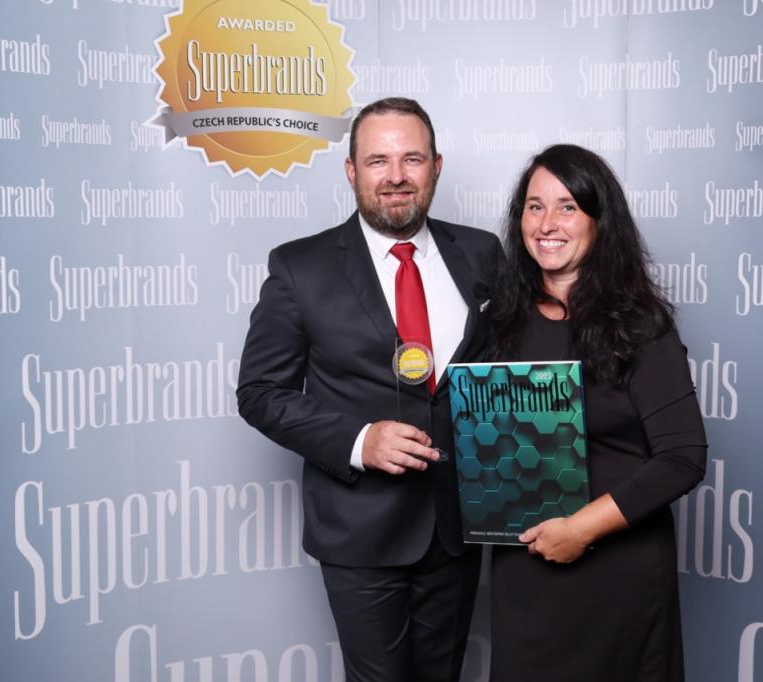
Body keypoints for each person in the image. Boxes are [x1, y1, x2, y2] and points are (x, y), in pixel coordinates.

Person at [236, 97, 503, 682]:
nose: (396, 176)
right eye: (378, 161)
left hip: (458, 525)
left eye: (412, 159)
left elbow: (506, 369)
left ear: (436, 166)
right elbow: (258, 392)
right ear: (352, 170)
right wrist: (361, 440)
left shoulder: (482, 253)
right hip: (359, 529)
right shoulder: (300, 267)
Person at [486, 144, 708, 682]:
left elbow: (683, 456)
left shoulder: (640, 325)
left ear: (599, 221)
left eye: (567, 207)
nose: (547, 224)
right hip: (524, 573)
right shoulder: (498, 322)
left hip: (618, 578)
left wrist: (581, 530)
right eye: (535, 207)